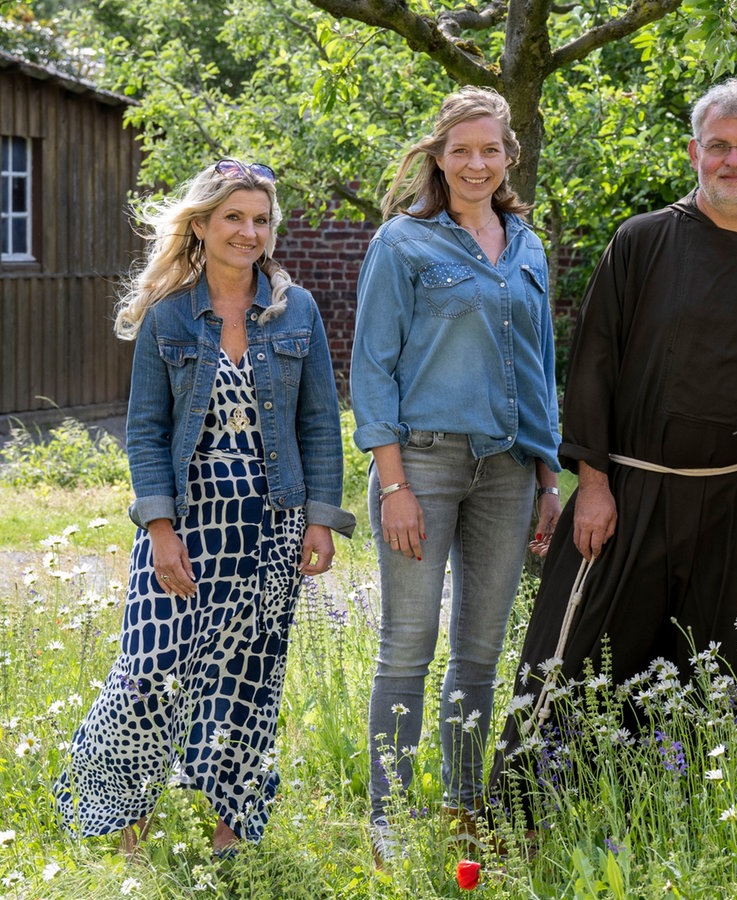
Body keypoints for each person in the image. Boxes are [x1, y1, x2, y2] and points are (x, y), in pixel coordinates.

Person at [490, 79, 737, 818]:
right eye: (719, 146)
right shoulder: (644, 240)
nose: (734, 161)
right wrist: (595, 479)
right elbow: (595, 363)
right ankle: (528, 823)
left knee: (726, 670)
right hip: (631, 492)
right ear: (694, 152)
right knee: (577, 653)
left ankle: (678, 821)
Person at [53, 160, 353, 857]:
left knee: (249, 677)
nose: (249, 232)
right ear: (202, 225)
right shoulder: (169, 315)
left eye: (260, 219)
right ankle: (123, 824)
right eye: (234, 218)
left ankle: (231, 835)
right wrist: (159, 530)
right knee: (149, 674)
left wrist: (320, 519)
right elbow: (147, 430)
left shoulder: (295, 310)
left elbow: (318, 423)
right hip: (186, 522)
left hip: (270, 522)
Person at [350, 86, 562, 856]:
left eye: (491, 150)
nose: (477, 163)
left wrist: (547, 476)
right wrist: (395, 484)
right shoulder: (404, 244)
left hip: (508, 469)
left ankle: (467, 807)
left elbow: (539, 368)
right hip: (425, 465)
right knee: (407, 647)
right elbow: (372, 368)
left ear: (509, 156)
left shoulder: (527, 244)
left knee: (479, 652)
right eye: (461, 150)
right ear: (439, 157)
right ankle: (389, 821)